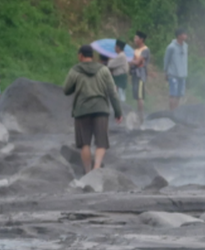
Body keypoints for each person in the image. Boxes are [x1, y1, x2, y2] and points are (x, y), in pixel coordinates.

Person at [63, 44, 123, 173]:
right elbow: (112, 92)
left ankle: (88, 171)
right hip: (101, 110)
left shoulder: (75, 70)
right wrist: (118, 112)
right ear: (93, 56)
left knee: (85, 143)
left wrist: (77, 85)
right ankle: (97, 168)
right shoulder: (104, 70)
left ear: (81, 56)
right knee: (101, 142)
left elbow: (66, 90)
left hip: (82, 110)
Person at [163, 28, 189, 111]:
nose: (186, 35)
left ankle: (176, 111)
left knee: (179, 95)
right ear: (179, 36)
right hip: (173, 74)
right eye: (184, 34)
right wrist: (165, 72)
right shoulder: (171, 47)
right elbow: (166, 59)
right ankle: (171, 112)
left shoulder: (185, 46)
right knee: (173, 95)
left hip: (182, 74)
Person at [128, 31, 150, 120]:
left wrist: (130, 60)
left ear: (141, 39)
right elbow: (132, 62)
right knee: (137, 96)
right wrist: (131, 61)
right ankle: (139, 115)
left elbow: (137, 62)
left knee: (140, 96)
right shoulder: (135, 50)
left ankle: (141, 117)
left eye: (136, 38)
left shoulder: (145, 50)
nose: (135, 40)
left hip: (140, 75)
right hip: (134, 74)